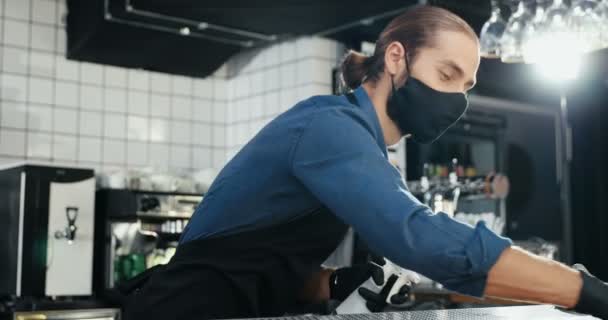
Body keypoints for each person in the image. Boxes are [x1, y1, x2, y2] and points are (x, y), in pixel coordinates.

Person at [123, 5, 608, 320]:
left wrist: (330, 283)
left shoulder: (365, 150)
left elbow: (256, 261)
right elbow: (417, 236)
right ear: (395, 58)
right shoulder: (329, 127)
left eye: (466, 86)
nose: (456, 98)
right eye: (446, 73)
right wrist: (583, 290)